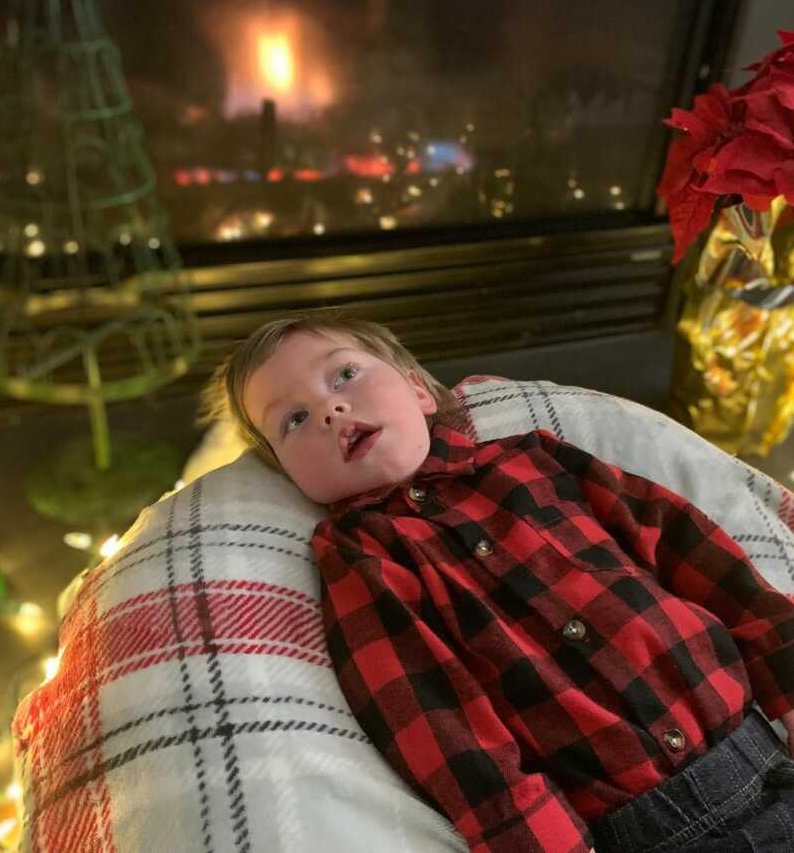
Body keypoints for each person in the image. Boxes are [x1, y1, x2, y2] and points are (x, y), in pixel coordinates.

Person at [213, 311, 794, 853]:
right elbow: (446, 731)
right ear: (290, 476)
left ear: (418, 389)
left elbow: (699, 557)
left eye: (344, 374)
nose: (329, 411)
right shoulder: (361, 562)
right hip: (655, 830)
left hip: (768, 742)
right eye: (293, 420)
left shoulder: (537, 461)